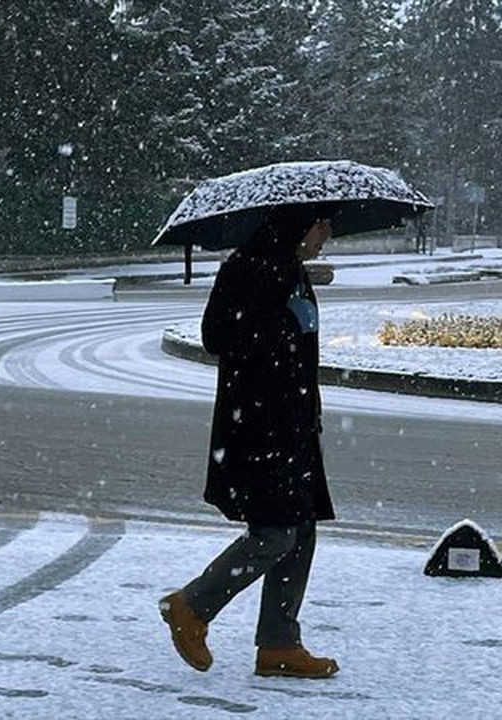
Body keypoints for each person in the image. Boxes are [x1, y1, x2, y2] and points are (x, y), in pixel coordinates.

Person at [160, 207, 338, 679]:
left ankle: (279, 643)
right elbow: (220, 335)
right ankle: (192, 607)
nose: (327, 235)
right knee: (276, 532)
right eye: (322, 225)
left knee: (300, 529)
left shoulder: (286, 266)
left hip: (292, 422)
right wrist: (284, 323)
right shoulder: (253, 268)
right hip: (262, 427)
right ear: (299, 225)